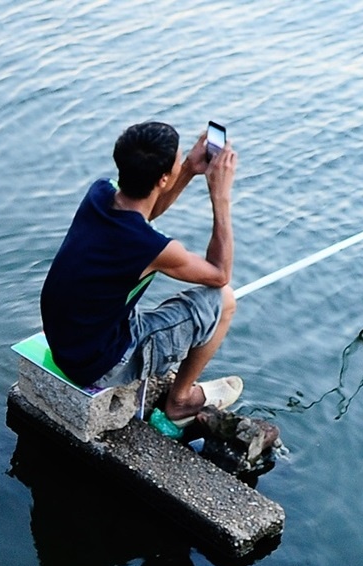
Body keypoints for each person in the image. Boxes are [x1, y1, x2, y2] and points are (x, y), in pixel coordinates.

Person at [40, 120, 241, 425]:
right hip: (99, 363)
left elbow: (145, 212)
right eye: (178, 159)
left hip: (65, 342)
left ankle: (176, 392)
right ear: (162, 178)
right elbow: (219, 273)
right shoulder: (154, 248)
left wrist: (187, 168)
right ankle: (180, 401)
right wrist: (220, 196)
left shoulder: (100, 193)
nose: (181, 160)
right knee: (223, 300)